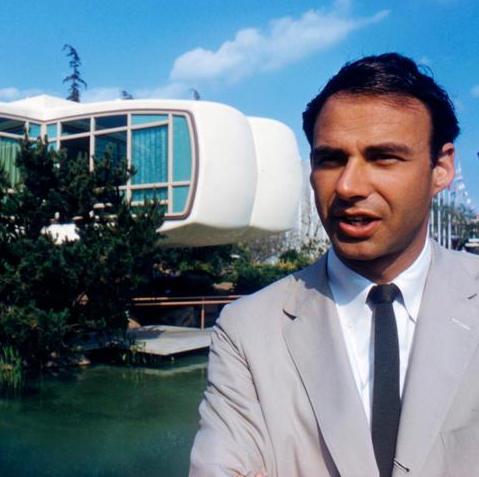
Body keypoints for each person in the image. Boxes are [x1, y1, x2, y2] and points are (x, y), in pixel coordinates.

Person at [189, 53, 479, 477]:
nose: (348, 186)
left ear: (441, 168)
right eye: (330, 159)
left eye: (383, 157)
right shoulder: (248, 331)